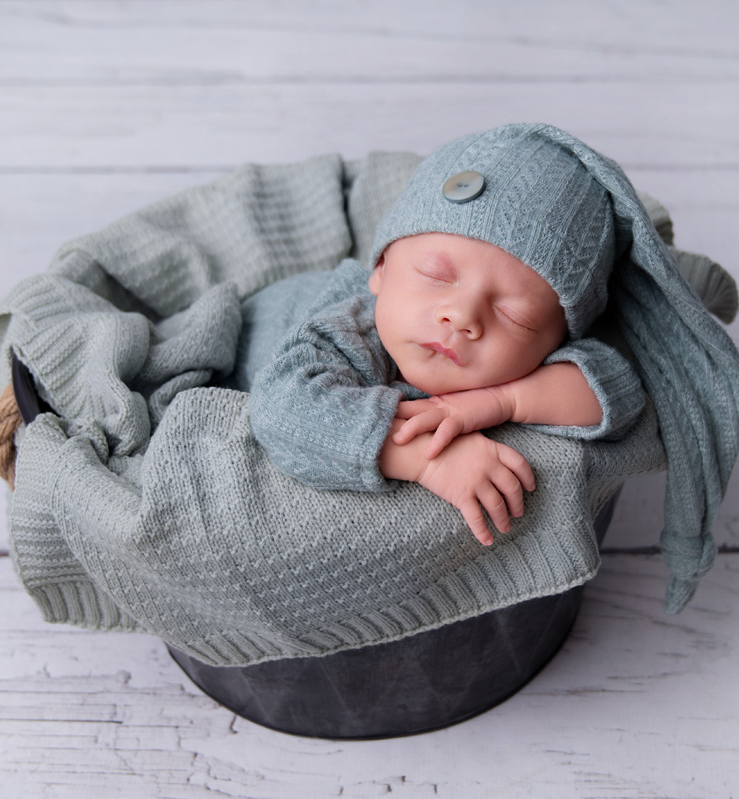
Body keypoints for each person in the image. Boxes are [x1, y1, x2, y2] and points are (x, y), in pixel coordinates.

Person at [248, 124, 647, 546]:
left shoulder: (530, 360)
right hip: (257, 324)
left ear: (556, 342)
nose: (461, 316)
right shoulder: (349, 332)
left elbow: (619, 393)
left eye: (514, 315)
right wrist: (425, 459)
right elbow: (279, 407)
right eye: (435, 275)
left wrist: (503, 400)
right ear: (380, 269)